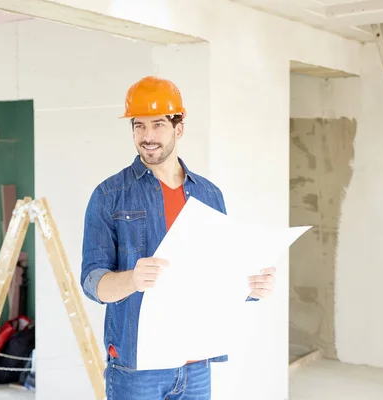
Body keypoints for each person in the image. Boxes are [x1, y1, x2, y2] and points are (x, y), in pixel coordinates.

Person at [80, 76, 276, 400]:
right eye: (139, 126)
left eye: (157, 124)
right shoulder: (109, 195)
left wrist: (249, 287)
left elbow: (217, 275)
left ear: (179, 128)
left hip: (196, 363)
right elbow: (92, 282)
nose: (147, 136)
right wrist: (133, 279)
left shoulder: (209, 196)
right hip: (137, 367)